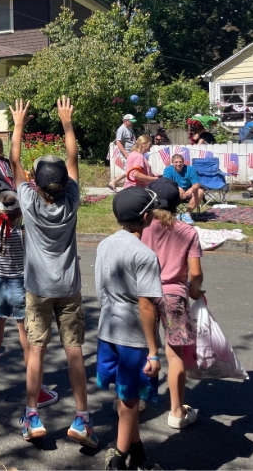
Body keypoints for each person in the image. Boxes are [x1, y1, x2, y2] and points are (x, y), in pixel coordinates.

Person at [9, 98, 97, 447]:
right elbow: (73, 159)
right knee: (74, 350)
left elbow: (14, 161)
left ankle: (32, 415)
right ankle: (82, 418)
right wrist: (67, 123)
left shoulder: (29, 202)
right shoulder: (71, 201)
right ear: (63, 183)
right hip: (69, 288)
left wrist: (18, 123)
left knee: (37, 350)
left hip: (37, 289)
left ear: (35, 182)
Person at [0, 160, 58, 410]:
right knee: (27, 340)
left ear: (1, 210)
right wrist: (35, 185)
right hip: (19, 286)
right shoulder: (24, 233)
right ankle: (36, 389)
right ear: (20, 212)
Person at [95, 187, 165, 470]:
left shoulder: (105, 244)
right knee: (131, 400)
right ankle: (119, 460)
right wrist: (153, 351)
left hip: (107, 330)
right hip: (133, 338)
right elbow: (147, 306)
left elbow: (100, 289)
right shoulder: (145, 255)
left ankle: (137, 452)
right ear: (146, 217)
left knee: (125, 395)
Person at [142, 178, 203, 430]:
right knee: (174, 353)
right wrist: (195, 291)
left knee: (143, 348)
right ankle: (176, 412)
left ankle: (135, 398)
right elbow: (196, 274)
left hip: (143, 293)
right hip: (173, 295)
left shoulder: (142, 227)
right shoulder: (188, 232)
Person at [163, 154, 204, 224]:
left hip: (189, 192)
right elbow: (167, 184)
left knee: (200, 191)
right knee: (168, 191)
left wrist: (190, 191)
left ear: (183, 162)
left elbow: (196, 184)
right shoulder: (168, 170)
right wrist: (178, 189)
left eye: (180, 162)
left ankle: (187, 214)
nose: (178, 164)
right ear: (172, 162)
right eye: (176, 162)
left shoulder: (190, 169)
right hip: (174, 192)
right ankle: (175, 213)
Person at [108, 114, 137, 192]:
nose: (132, 123)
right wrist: (125, 154)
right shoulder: (122, 129)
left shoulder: (129, 128)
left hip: (132, 152)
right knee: (129, 170)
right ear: (126, 121)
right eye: (131, 121)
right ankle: (127, 186)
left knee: (128, 170)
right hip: (126, 153)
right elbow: (118, 142)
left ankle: (113, 182)